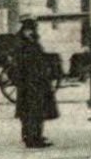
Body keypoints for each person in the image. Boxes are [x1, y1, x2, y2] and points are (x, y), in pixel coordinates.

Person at [13, 19, 59, 148]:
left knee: (38, 111)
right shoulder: (22, 43)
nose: (32, 31)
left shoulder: (32, 41)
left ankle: (36, 135)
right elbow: (20, 63)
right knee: (31, 111)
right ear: (25, 30)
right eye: (30, 29)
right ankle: (31, 138)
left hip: (38, 81)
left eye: (33, 29)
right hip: (28, 83)